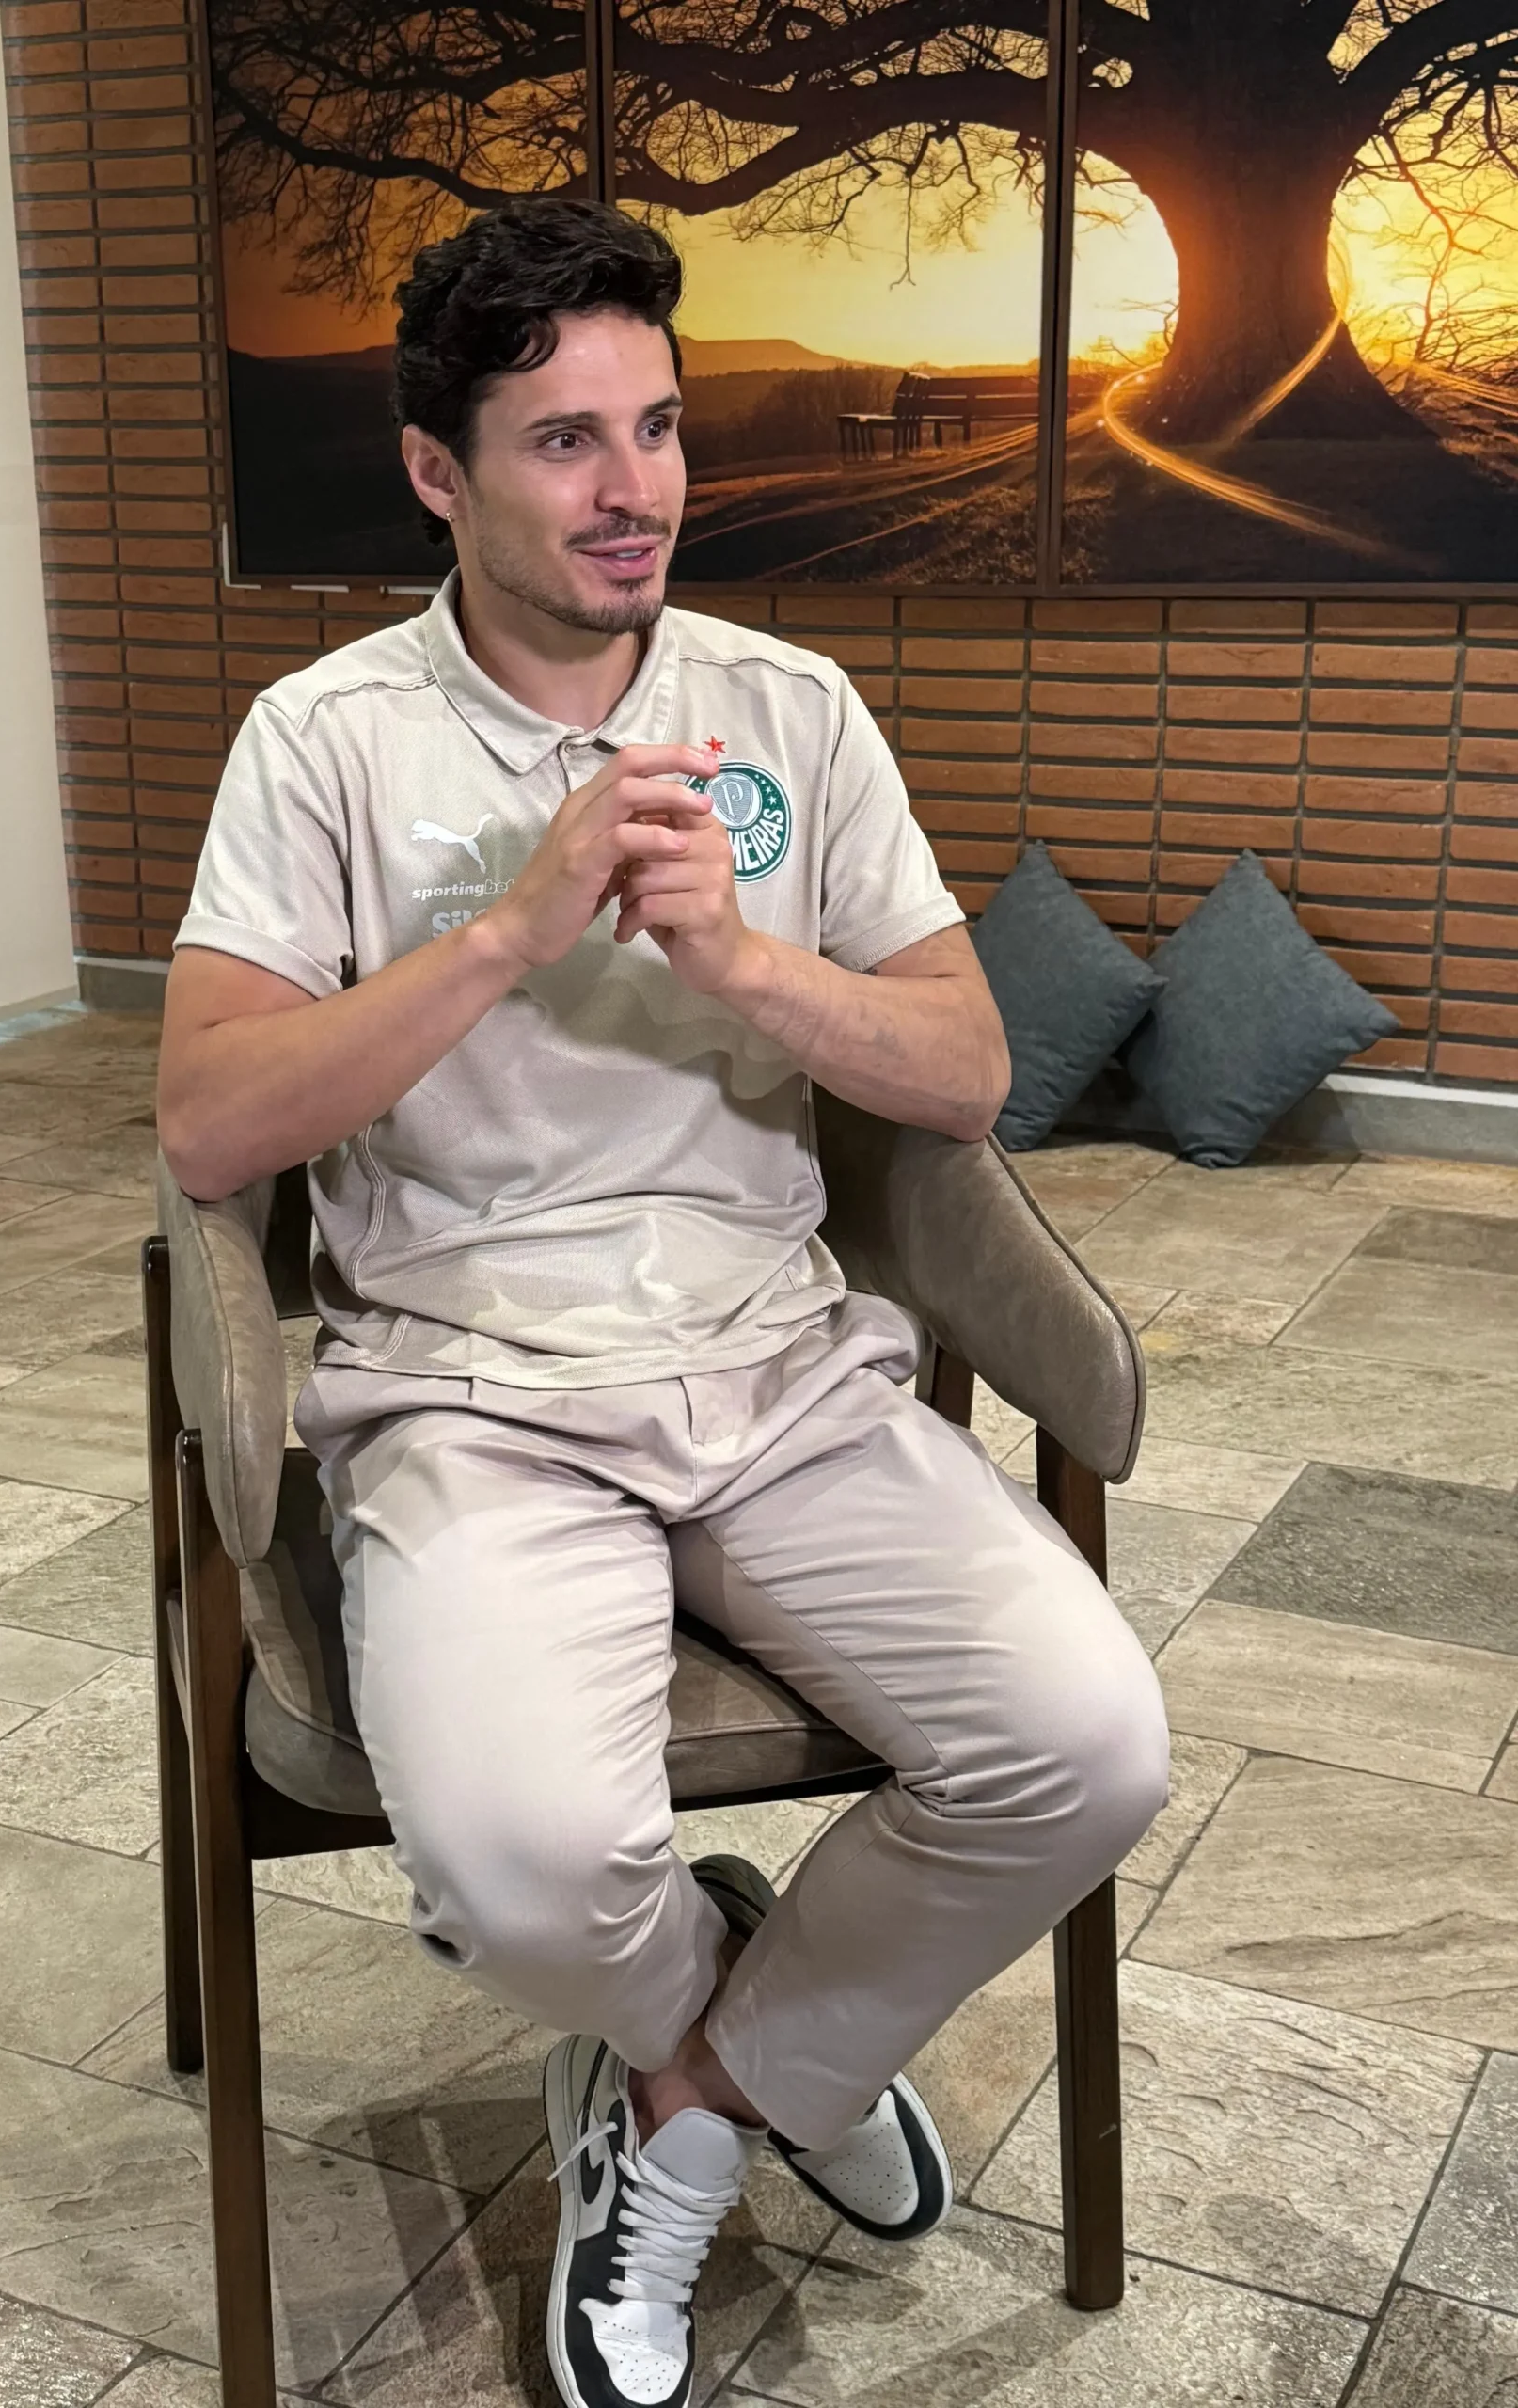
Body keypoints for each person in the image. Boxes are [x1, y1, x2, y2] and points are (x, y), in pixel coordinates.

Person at [158, 196, 1169, 2408]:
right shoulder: (327, 740)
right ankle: (743, 2016)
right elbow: (211, 1122)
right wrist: (505, 935)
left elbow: (965, 1073)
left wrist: (739, 959)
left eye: (660, 428)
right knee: (524, 1873)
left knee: (1090, 1745)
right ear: (437, 473)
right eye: (565, 441)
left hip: (782, 1366)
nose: (636, 489)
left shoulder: (787, 707)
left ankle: (694, 2102)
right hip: (473, 1389)